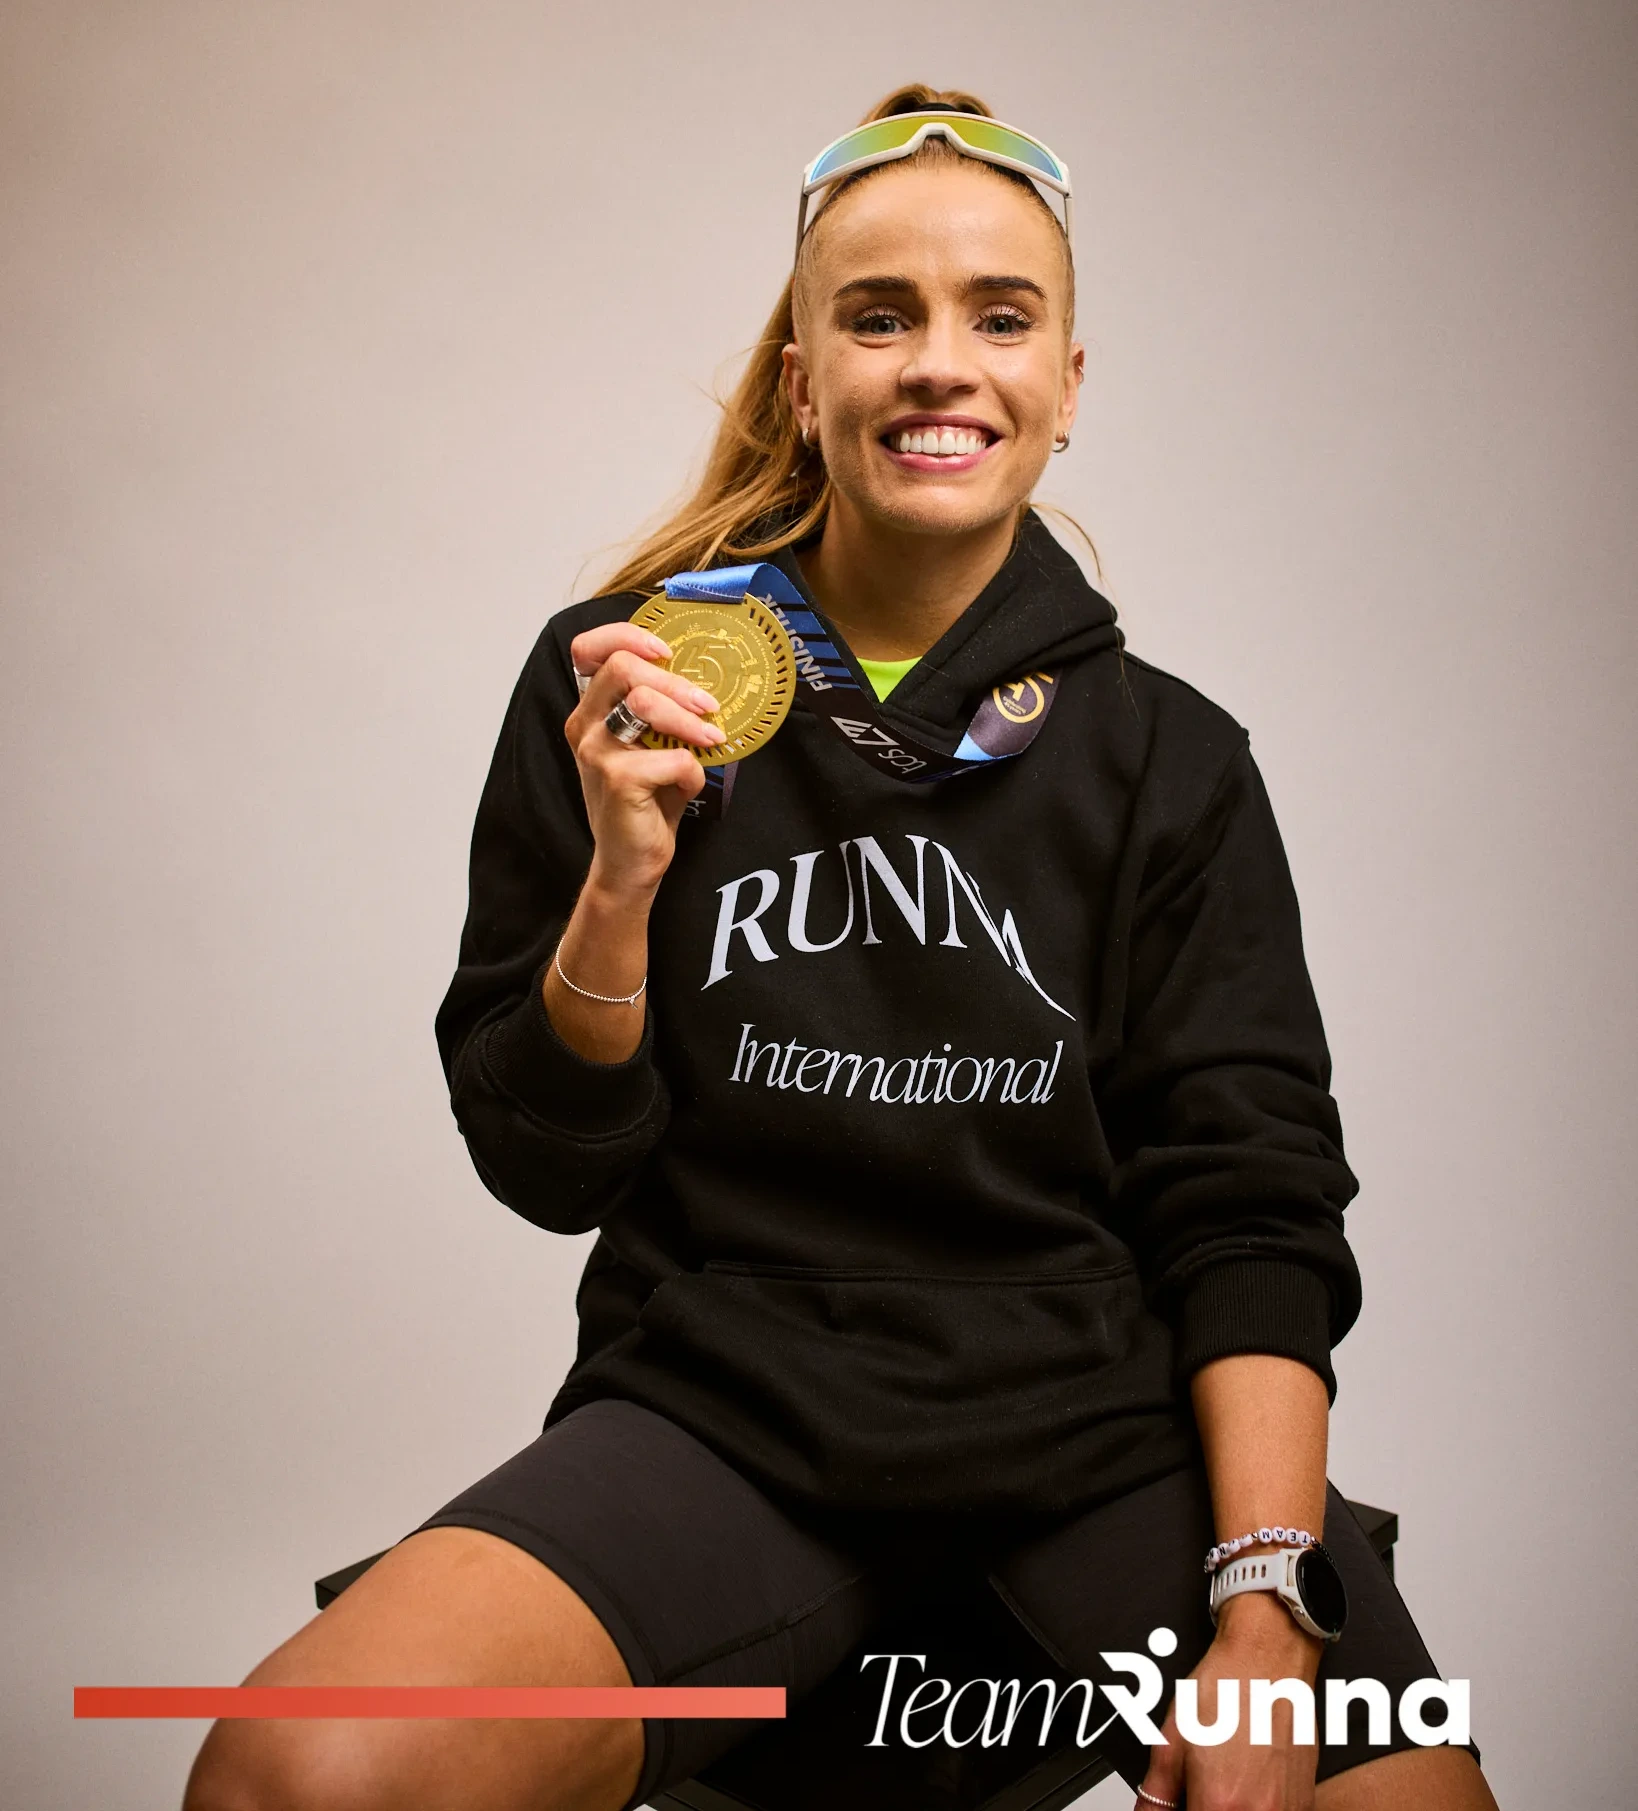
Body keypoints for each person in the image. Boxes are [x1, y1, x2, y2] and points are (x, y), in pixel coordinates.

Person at [183, 85, 1500, 1811]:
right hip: (730, 1414)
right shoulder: (630, 685)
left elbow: (1250, 1211)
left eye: (998, 319)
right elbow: (543, 1168)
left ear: (1067, 386)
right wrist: (621, 882)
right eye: (880, 317)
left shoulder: (1174, 761)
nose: (940, 364)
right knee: (293, 1775)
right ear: (804, 383)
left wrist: (1262, 1613)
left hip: (1102, 1438)